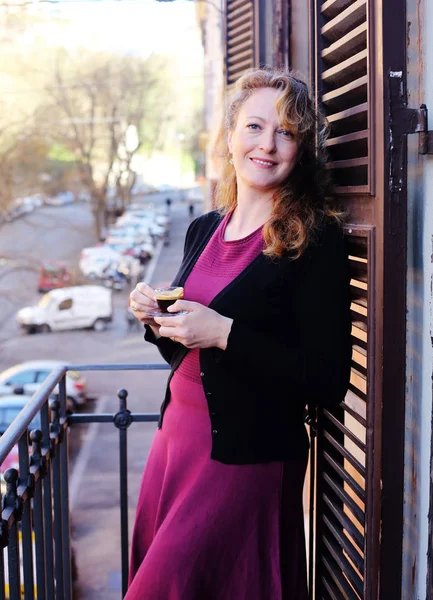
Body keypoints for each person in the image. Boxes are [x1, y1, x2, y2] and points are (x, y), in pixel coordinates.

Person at [127, 67, 352, 599]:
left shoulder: (316, 241)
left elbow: (326, 379)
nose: (267, 145)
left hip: (245, 461)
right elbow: (189, 357)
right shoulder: (203, 229)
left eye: (286, 132)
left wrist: (226, 332)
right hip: (176, 444)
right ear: (229, 137)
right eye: (254, 127)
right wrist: (155, 319)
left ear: (300, 150)